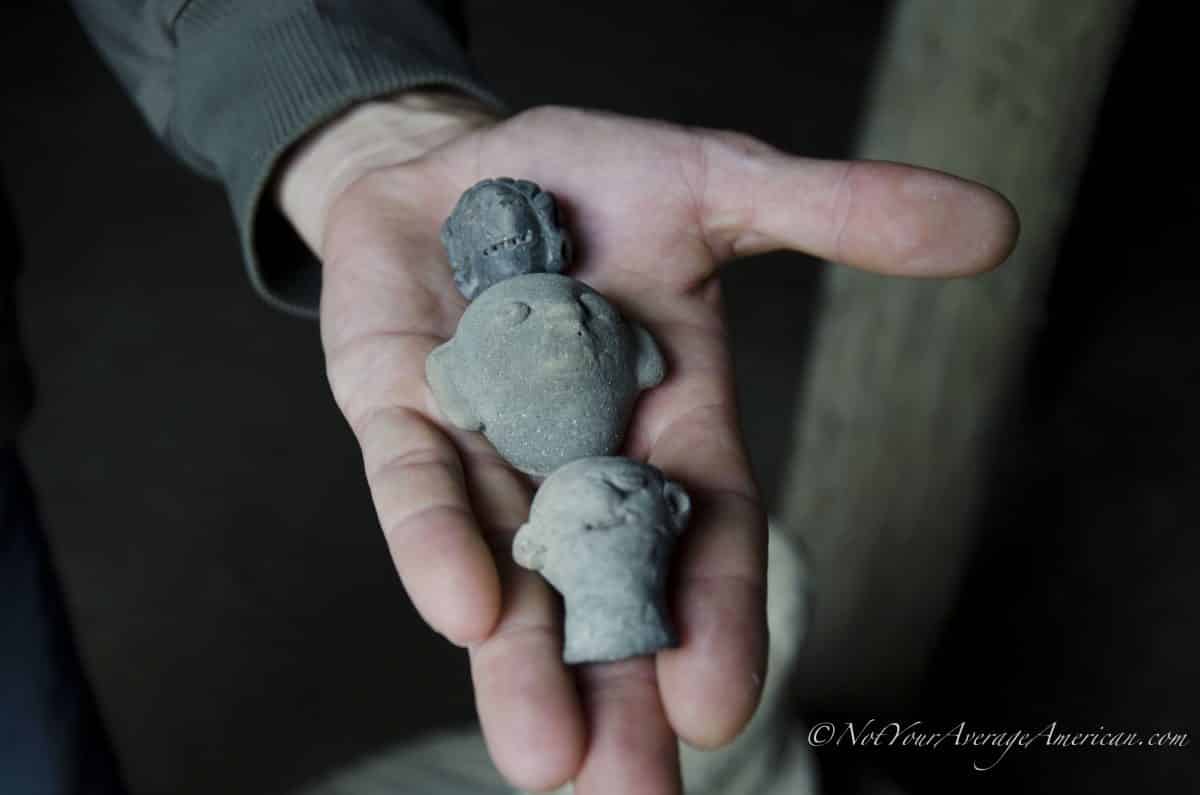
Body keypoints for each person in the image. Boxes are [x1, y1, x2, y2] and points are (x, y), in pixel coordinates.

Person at [1, 2, 1018, 793]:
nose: (522, 253)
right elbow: (506, 383)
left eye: (530, 235)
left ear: (562, 245)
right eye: (498, 244)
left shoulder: (559, 332)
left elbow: (624, 365)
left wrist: (356, 118)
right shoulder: (493, 349)